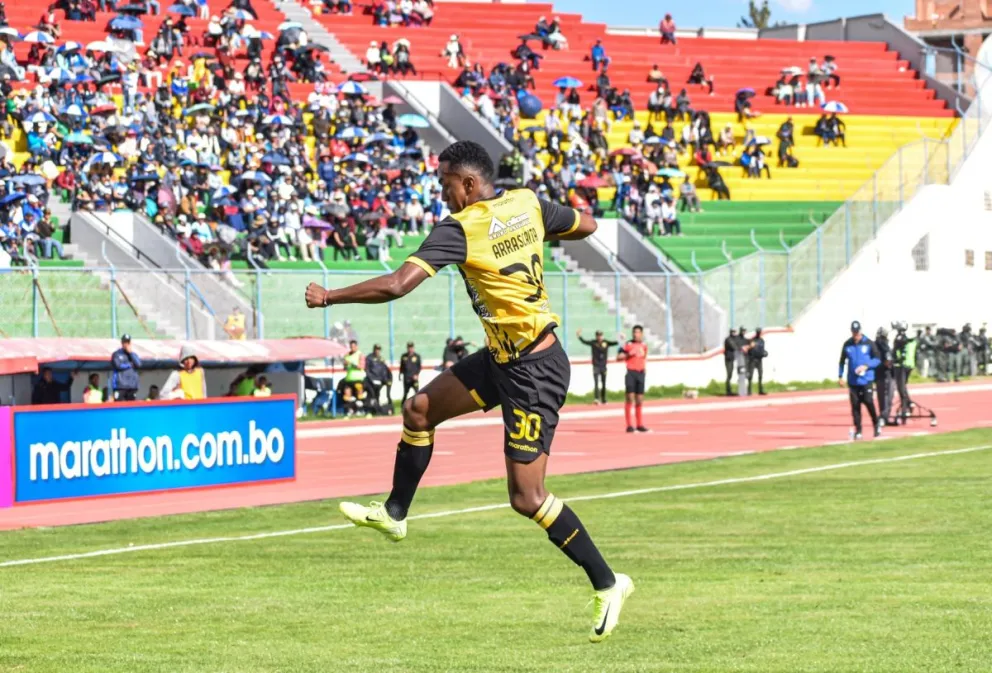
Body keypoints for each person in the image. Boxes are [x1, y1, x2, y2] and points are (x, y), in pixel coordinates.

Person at [304, 140, 632, 642]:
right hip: (503, 358)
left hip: (533, 372)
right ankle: (394, 513)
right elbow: (585, 225)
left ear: (470, 185)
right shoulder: (526, 203)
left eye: (446, 186)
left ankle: (608, 584)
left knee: (527, 498)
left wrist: (330, 296)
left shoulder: (461, 227)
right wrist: (533, 237)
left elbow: (397, 284)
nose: (444, 196)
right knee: (418, 410)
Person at [838, 320, 881, 439]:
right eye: (853, 332)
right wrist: (840, 376)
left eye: (857, 332)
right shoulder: (847, 345)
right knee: (855, 406)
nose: (855, 335)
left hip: (866, 379)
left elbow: (877, 359)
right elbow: (842, 361)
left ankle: (876, 424)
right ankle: (858, 430)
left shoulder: (869, 343)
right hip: (853, 381)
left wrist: (866, 366)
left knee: (868, 401)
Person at [618, 325, 648, 433]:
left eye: (638, 332)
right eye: (634, 332)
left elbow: (644, 358)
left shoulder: (644, 345)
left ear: (641, 334)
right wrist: (628, 354)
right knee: (630, 398)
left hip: (641, 373)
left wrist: (644, 369)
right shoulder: (628, 344)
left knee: (639, 399)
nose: (636, 334)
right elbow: (619, 357)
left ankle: (640, 424)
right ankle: (629, 425)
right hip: (631, 372)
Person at [577, 328, 619, 405]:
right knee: (596, 383)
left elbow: (615, 343)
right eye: (598, 335)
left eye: (600, 335)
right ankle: (596, 399)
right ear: (596, 336)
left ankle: (604, 399)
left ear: (602, 336)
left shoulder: (606, 342)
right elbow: (584, 341)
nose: (599, 337)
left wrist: (621, 338)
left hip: (604, 366)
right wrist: (579, 336)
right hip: (596, 366)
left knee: (604, 383)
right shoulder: (593, 342)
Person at [110, 333, 142, 401]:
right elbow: (117, 365)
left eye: (128, 342)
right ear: (122, 343)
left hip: (132, 386)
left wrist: (130, 353)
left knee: (131, 408)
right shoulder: (116, 354)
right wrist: (130, 365)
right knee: (118, 407)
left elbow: (138, 364)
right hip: (120, 386)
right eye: (125, 342)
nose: (126, 344)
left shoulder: (134, 354)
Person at [365, 344, 393, 414]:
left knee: (378, 395)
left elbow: (384, 370)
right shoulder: (369, 358)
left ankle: (377, 410)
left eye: (379, 349)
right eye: (376, 349)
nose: (377, 351)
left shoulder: (381, 359)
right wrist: (372, 379)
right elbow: (367, 370)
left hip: (379, 381)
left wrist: (386, 379)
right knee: (372, 395)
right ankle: (370, 410)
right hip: (371, 381)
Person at [874, 326, 894, 423]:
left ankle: (884, 415)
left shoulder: (877, 345)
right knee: (886, 396)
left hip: (880, 373)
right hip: (884, 373)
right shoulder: (883, 345)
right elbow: (888, 359)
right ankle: (884, 416)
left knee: (883, 396)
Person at [746, 328, 767, 395]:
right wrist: (750, 347)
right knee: (751, 376)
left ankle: (760, 390)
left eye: (759, 332)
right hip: (752, 360)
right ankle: (749, 391)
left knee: (760, 375)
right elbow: (748, 349)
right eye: (758, 332)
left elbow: (762, 349)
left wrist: (765, 353)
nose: (759, 333)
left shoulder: (762, 340)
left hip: (759, 360)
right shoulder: (752, 340)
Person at [723, 328, 739, 395]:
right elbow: (734, 347)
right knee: (729, 374)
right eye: (733, 332)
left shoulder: (734, 339)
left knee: (731, 374)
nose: (734, 333)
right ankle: (728, 391)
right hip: (728, 359)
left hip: (732, 359)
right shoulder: (728, 339)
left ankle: (730, 390)